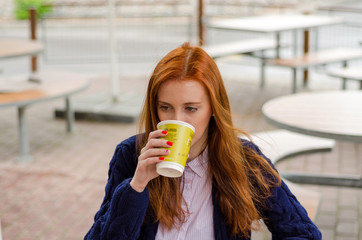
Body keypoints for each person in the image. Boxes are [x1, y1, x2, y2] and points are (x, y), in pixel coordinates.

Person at [84, 42, 321, 240]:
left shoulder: (244, 160)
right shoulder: (131, 155)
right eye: (165, 107)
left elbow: (303, 233)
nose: (177, 120)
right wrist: (136, 187)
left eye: (191, 108)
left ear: (213, 109)